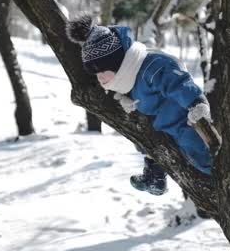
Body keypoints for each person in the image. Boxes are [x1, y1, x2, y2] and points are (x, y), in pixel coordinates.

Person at [66, 15, 215, 196]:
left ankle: (213, 178)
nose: (100, 78)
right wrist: (124, 97)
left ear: (117, 62)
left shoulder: (151, 67)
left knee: (194, 147)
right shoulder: (124, 76)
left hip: (181, 119)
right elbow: (127, 87)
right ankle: (155, 177)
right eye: (96, 73)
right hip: (157, 122)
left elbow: (178, 82)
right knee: (147, 144)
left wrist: (195, 102)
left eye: (103, 70)